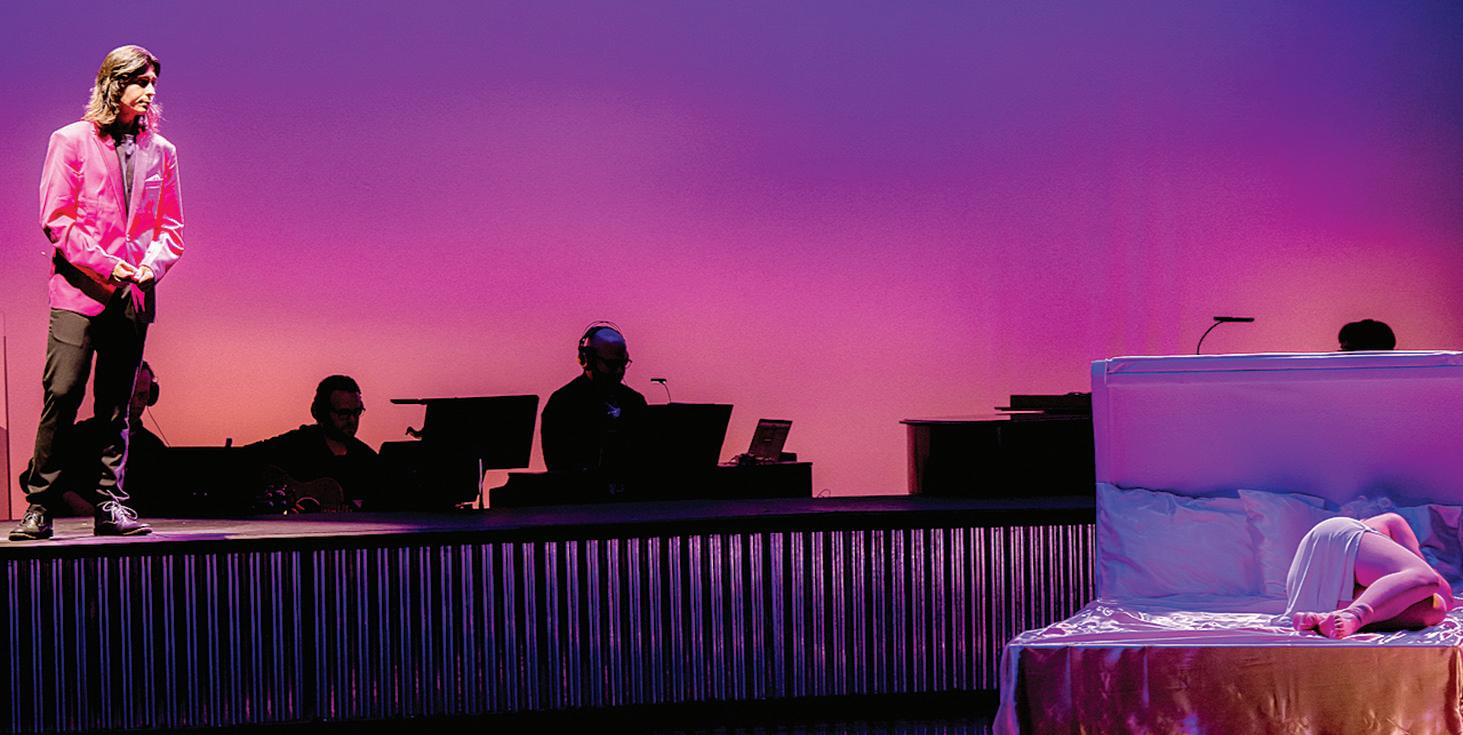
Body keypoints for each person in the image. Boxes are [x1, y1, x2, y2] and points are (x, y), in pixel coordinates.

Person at [10, 45, 185, 541]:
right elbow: (57, 220)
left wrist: (151, 266)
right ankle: (40, 504)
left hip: (134, 294)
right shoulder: (69, 140)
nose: (149, 92)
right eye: (141, 82)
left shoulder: (163, 151)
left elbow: (171, 227)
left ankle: (111, 503)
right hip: (80, 290)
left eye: (153, 84)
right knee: (63, 393)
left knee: (116, 404)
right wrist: (111, 266)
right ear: (114, 83)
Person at [1284, 513, 1454, 638]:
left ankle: (1324, 618)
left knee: (1434, 610)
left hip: (1308, 590)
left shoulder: (1368, 567)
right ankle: (1354, 615)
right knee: (1424, 577)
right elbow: (1436, 586)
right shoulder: (1391, 521)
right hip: (1340, 532)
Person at [243, 375, 383, 510]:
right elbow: (244, 458)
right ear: (321, 413)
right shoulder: (296, 443)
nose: (352, 420)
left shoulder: (367, 460)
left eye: (357, 412)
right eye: (343, 413)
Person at [540, 323, 647, 481]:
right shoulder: (562, 404)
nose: (619, 371)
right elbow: (559, 468)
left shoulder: (634, 402)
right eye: (611, 364)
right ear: (587, 360)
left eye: (623, 364)